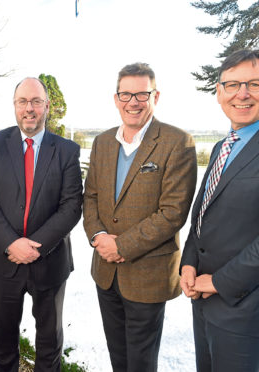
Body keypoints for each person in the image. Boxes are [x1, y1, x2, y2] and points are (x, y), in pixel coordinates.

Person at [180, 49, 259, 372]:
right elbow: (203, 213)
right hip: (202, 299)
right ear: (219, 92)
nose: (242, 94)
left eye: (254, 84)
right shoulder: (223, 146)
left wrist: (217, 281)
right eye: (232, 85)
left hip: (247, 308)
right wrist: (188, 263)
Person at [83, 63, 197, 371]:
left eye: (141, 94)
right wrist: (99, 238)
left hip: (148, 273)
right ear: (116, 98)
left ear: (155, 96)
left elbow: (173, 213)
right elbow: (90, 197)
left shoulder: (177, 142)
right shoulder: (102, 142)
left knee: (141, 363)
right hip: (105, 272)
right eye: (126, 94)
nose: (133, 101)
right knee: (118, 356)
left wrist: (123, 246)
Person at [0, 77, 83, 372]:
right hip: (5, 260)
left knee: (49, 340)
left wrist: (35, 246)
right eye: (23, 101)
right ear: (14, 106)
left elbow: (72, 205)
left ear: (47, 106)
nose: (29, 108)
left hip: (49, 261)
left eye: (36, 101)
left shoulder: (66, 151)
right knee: (4, 337)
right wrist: (12, 243)